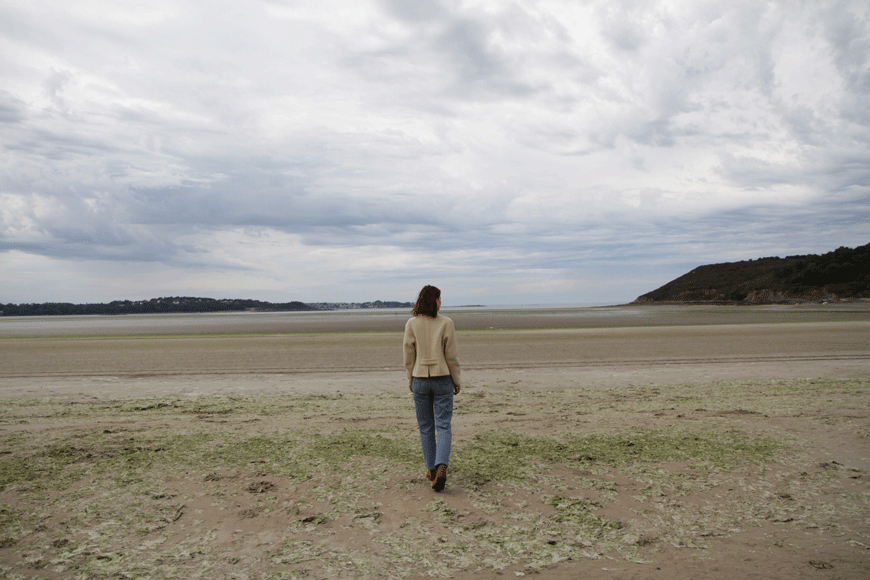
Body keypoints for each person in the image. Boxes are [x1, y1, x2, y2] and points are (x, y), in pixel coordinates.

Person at [403, 284, 461, 492]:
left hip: (420, 377)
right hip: (442, 377)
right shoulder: (447, 323)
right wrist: (456, 380)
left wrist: (410, 379)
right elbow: (451, 356)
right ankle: (441, 465)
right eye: (439, 298)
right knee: (443, 425)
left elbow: (409, 355)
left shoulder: (412, 323)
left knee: (426, 427)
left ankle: (432, 470)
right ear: (433, 301)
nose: (440, 302)